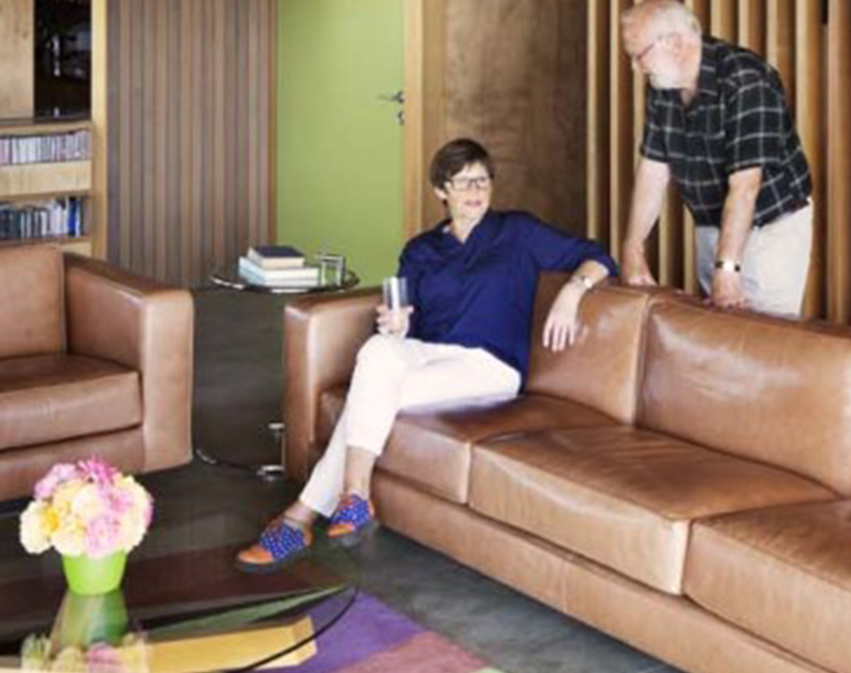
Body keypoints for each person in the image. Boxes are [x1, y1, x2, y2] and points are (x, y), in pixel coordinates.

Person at [237, 137, 614, 569]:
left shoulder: (518, 232)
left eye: (482, 180)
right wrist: (397, 325)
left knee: (372, 395)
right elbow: (405, 317)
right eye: (463, 182)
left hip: (490, 367)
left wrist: (572, 291)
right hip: (429, 352)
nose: (475, 191)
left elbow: (597, 256)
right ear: (441, 190)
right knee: (379, 349)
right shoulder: (420, 250)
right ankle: (354, 496)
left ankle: (300, 517)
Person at [618, 0, 814, 318]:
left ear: (677, 44)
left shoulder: (747, 79)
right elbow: (654, 168)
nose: (635, 67)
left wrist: (727, 266)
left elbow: (746, 186)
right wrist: (633, 246)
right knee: (721, 337)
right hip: (712, 223)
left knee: (765, 342)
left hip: (769, 229)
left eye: (639, 56)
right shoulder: (663, 84)